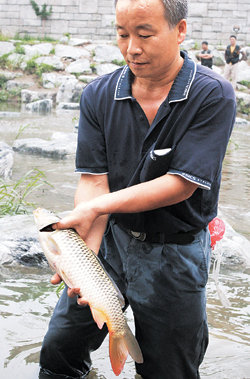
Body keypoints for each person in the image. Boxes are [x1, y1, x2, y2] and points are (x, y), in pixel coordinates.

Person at [39, 0, 236, 378]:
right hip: (112, 239)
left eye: (144, 34)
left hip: (175, 252)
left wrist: (96, 209)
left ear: (179, 31)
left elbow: (180, 185)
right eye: (122, 34)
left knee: (168, 368)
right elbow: (94, 181)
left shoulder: (212, 95)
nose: (132, 47)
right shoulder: (98, 94)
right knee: (60, 348)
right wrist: (84, 256)